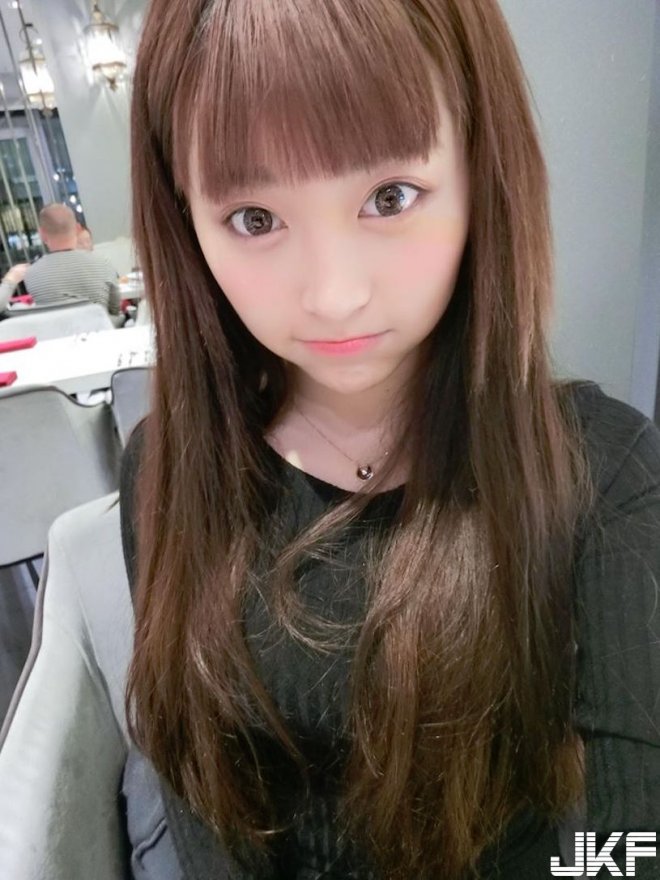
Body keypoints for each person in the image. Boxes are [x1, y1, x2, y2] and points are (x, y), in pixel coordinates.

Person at [0, 1, 658, 878]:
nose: (334, 294)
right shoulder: (168, 469)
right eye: (254, 218)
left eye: (389, 198)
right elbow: (205, 816)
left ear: (479, 173)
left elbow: (629, 840)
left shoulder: (601, 476)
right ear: (187, 221)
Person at [0, 204, 120, 316]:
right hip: (100, 328)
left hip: (55, 331)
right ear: (77, 228)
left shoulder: (32, 273)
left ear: (42, 234)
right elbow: (115, 310)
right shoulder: (103, 264)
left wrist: (9, 281)